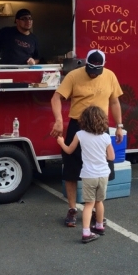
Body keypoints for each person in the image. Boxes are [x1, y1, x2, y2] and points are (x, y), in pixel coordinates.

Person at [50, 49, 124, 228]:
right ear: (86, 64)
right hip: (78, 125)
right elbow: (56, 98)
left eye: (97, 71)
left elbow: (114, 102)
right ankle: (72, 209)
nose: (93, 74)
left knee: (101, 170)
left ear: (104, 66)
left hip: (100, 128)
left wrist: (119, 126)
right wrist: (58, 120)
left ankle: (96, 210)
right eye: (90, 70)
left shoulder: (110, 76)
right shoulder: (74, 76)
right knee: (71, 169)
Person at [57, 106, 114, 243]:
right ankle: (99, 226)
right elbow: (111, 157)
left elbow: (69, 151)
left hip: (89, 175)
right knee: (99, 202)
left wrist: (61, 142)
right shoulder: (106, 137)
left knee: (89, 204)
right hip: (103, 174)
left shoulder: (80, 135)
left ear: (83, 121)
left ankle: (86, 232)